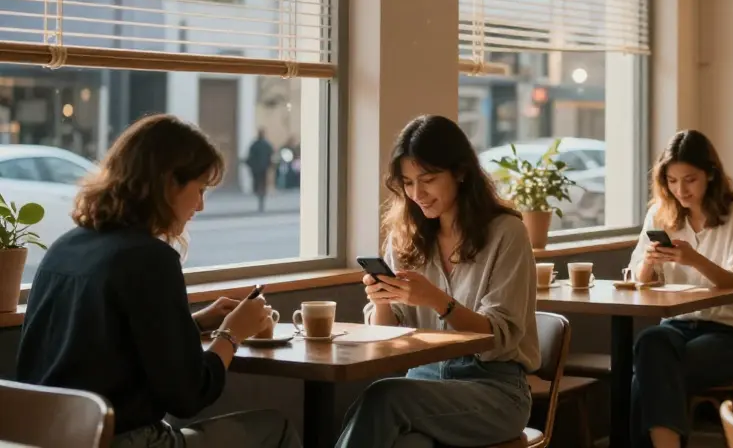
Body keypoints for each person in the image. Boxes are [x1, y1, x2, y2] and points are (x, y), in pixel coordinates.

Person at [16, 114, 299, 448]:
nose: (201, 205)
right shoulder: (150, 259)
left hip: (41, 441)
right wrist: (231, 334)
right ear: (169, 183)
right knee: (275, 427)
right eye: (200, 189)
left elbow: (102, 347)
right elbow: (189, 395)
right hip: (122, 441)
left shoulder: (66, 247)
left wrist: (191, 323)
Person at [335, 115, 538, 448]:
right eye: (408, 182)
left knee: (384, 396)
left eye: (427, 179)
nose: (417, 193)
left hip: (495, 391)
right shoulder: (407, 237)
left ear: (460, 172)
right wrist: (381, 300)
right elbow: (388, 339)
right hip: (424, 382)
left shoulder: (507, 234)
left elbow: (498, 340)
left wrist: (436, 300)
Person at [629, 129, 733, 448]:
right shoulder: (660, 214)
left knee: (645, 377)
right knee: (651, 341)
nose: (681, 190)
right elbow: (639, 278)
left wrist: (694, 259)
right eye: (672, 181)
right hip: (677, 327)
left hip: (731, 334)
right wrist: (649, 262)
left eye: (690, 179)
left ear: (710, 174)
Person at [244, 129, 274, 212]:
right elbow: (270, 155)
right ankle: (261, 194)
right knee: (261, 183)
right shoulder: (264, 144)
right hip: (262, 168)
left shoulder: (256, 144)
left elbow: (250, 156)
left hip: (258, 168)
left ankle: (260, 194)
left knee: (258, 183)